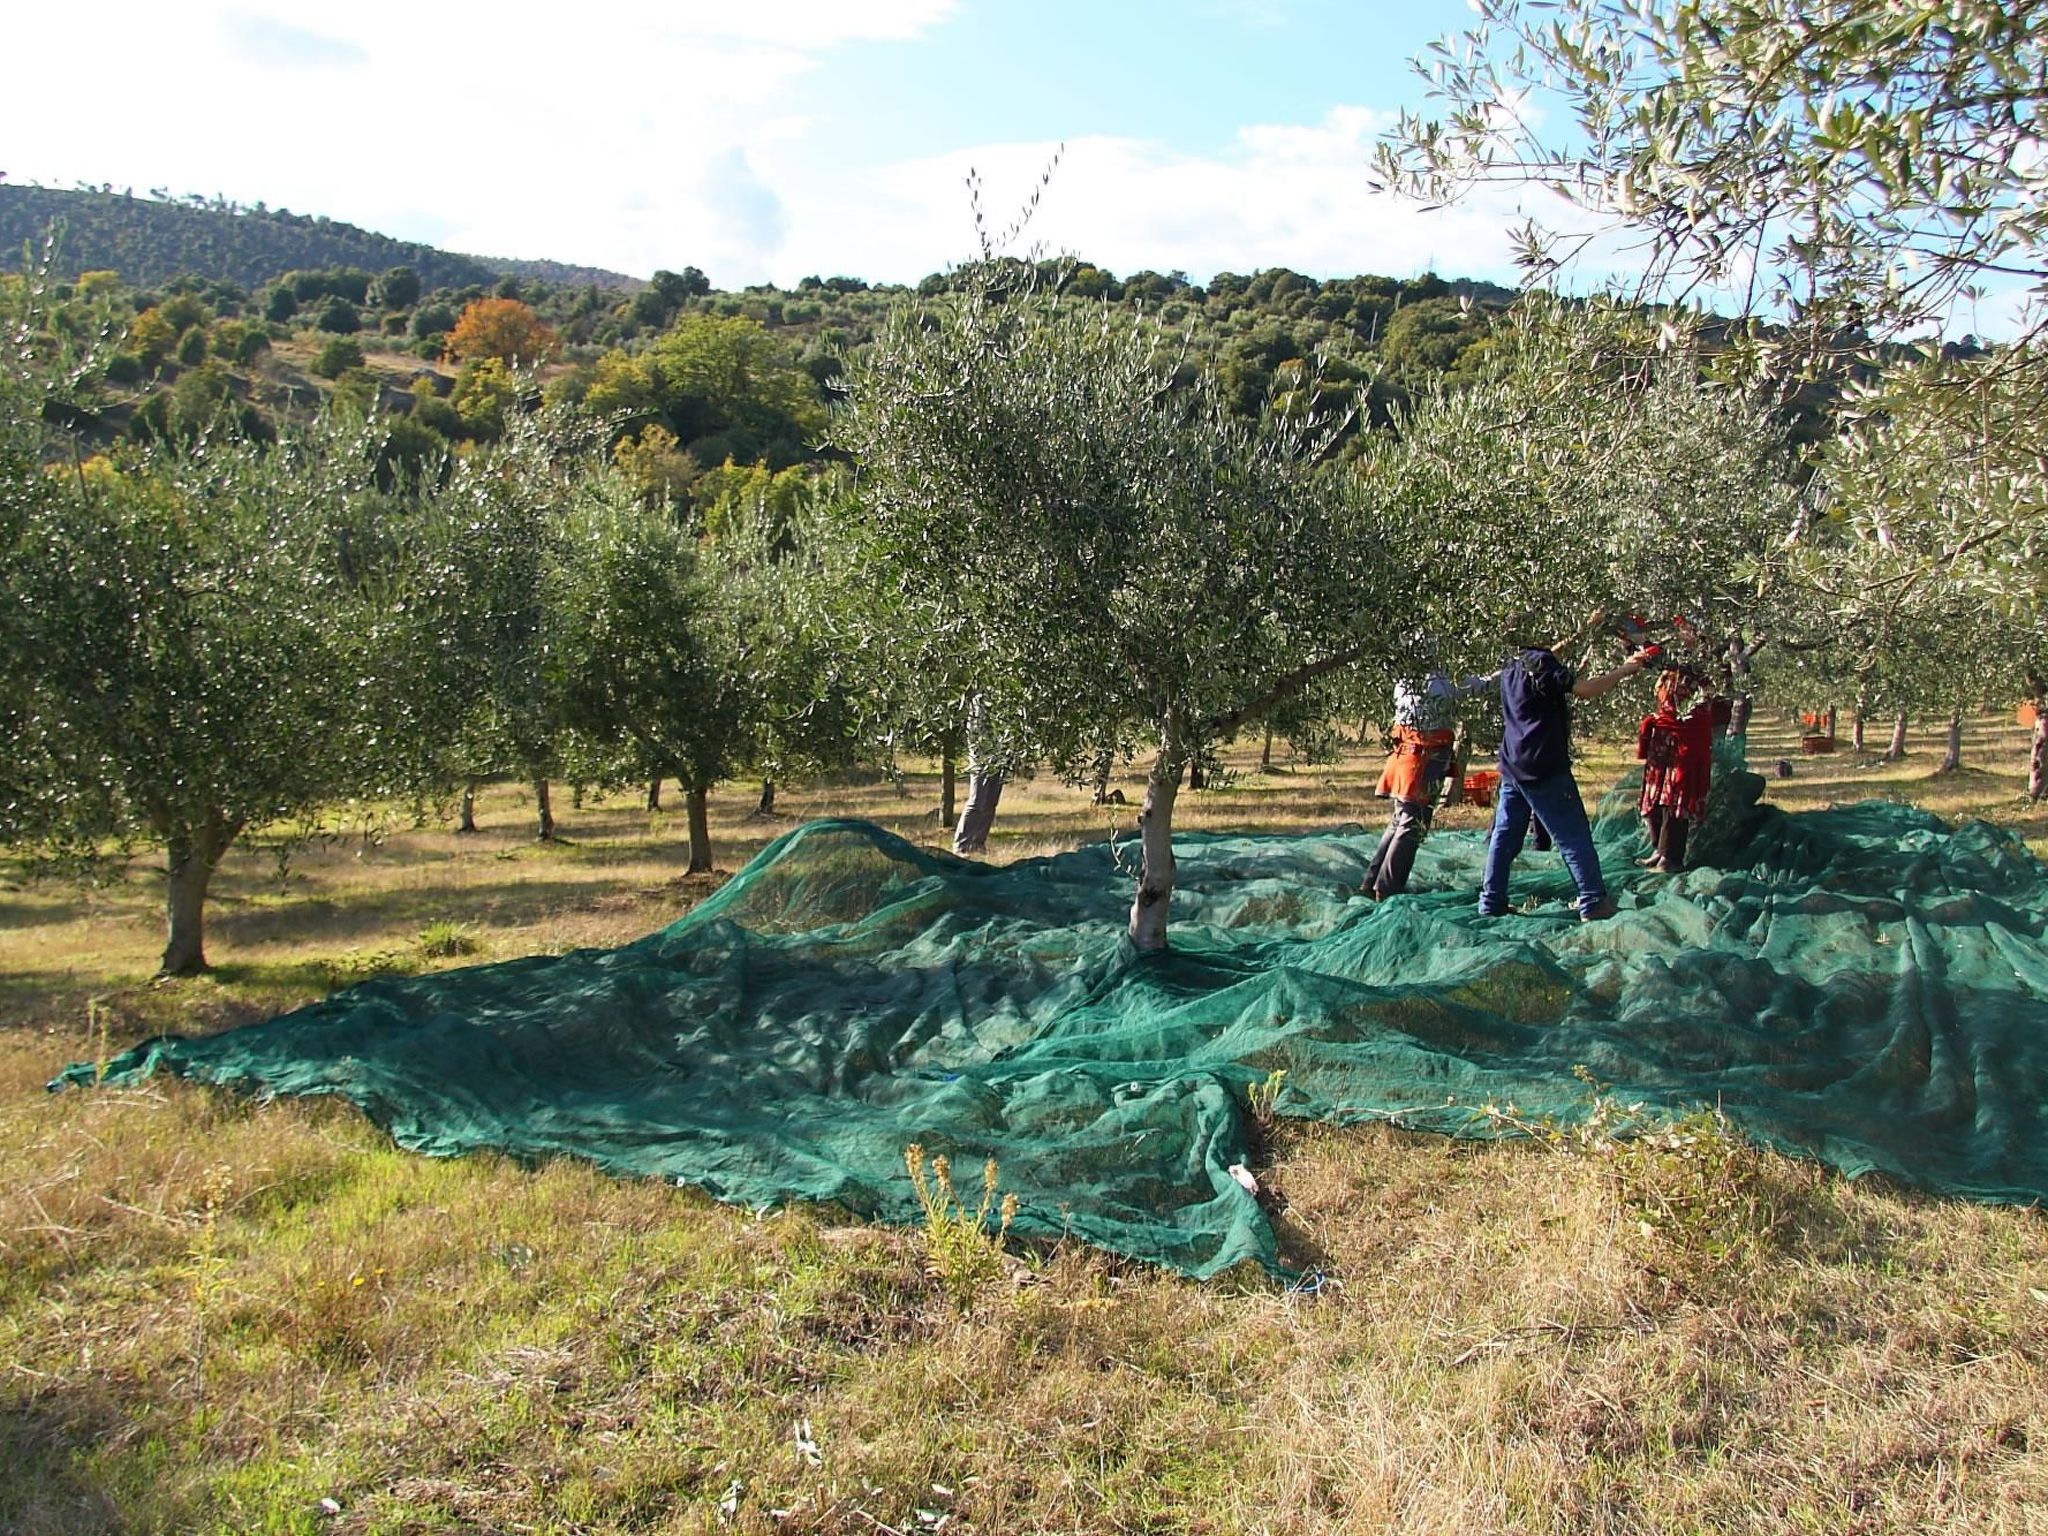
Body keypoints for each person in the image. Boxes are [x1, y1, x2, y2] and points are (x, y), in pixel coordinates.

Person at [1478, 617, 1656, 921]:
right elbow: (1584, 689)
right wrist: (1626, 669)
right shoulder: (1542, 663)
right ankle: (1593, 900)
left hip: (1513, 764)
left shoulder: (1515, 661)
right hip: (1544, 766)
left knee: (1505, 836)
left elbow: (1549, 657)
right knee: (1573, 835)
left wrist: (1586, 628)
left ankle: (1491, 901)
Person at [1363, 652, 1496, 899]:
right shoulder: (1436, 682)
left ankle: (1372, 883)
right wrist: (1506, 674)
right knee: (1412, 824)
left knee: (1401, 818)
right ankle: (1387, 889)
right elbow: (1475, 687)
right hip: (1423, 757)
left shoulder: (1408, 677)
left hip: (1409, 753)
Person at [1636, 667, 1717, 870]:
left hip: (1685, 741)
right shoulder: (1668, 665)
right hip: (1663, 740)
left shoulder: (1701, 670)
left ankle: (1670, 857)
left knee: (1676, 799)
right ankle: (1659, 850)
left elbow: (1701, 705)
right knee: (1654, 797)